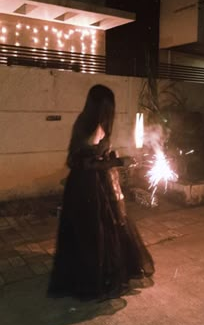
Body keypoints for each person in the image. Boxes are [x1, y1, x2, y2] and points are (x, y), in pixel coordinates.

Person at [48, 84, 154, 301]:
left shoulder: (92, 123)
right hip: (87, 187)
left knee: (103, 228)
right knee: (94, 230)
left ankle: (97, 271)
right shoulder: (90, 126)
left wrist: (110, 155)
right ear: (103, 107)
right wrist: (117, 161)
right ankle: (93, 278)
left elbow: (95, 155)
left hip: (97, 183)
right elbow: (80, 162)